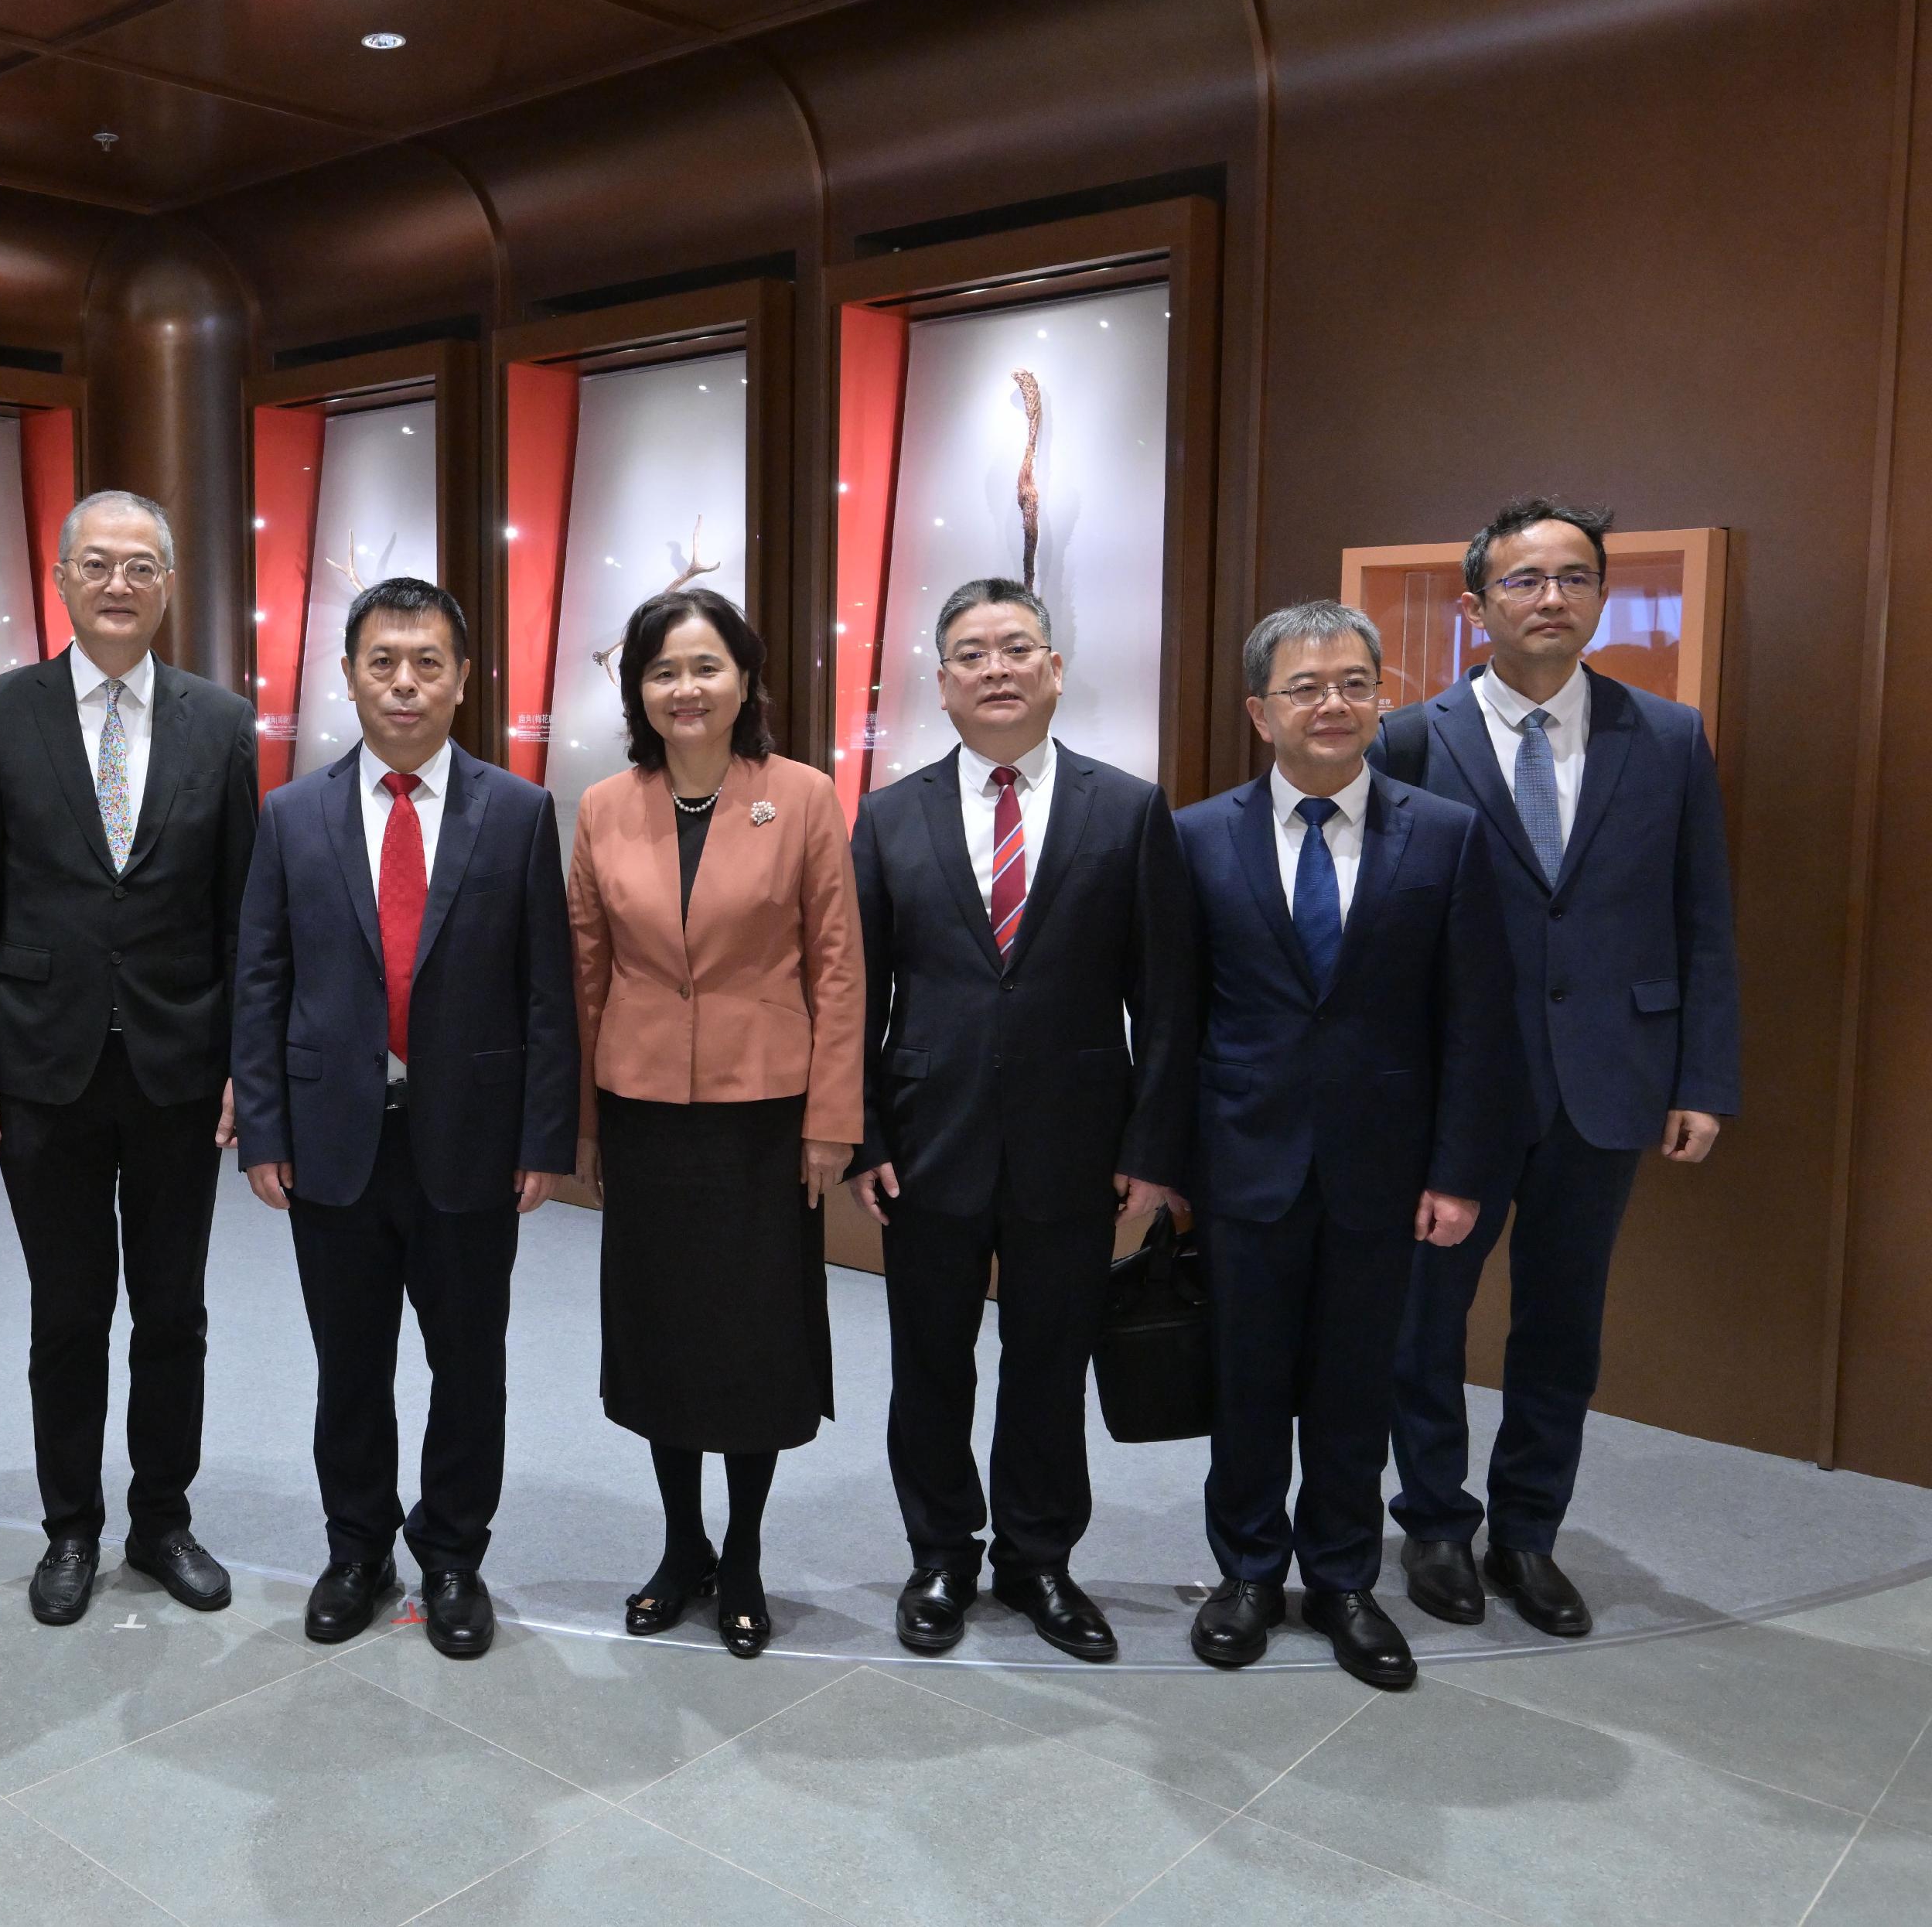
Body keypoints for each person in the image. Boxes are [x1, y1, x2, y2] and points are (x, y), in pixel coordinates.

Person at [1374, 500, 1741, 1638]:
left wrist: (1703, 1076)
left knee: (1562, 1320)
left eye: (1575, 578)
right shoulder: (1409, 739)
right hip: (1454, 1091)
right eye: (1526, 581)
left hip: (1608, 1078)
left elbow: (1703, 920)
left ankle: (1528, 1532)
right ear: (1478, 605)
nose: (1552, 598)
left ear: (1600, 599)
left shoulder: (1667, 737)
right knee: (1426, 1315)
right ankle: (1435, 1518)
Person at [847, 577, 1196, 1662]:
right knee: (931, 1363)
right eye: (971, 654)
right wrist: (865, 1135)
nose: (996, 668)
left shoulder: (1128, 808)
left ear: (1053, 669)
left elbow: (1168, 997)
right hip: (928, 1143)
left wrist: (1151, 1150)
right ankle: (942, 1553)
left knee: (1050, 1359)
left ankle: (1040, 1559)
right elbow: (856, 992)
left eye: (1017, 648)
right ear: (941, 684)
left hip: (1076, 1148)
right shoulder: (888, 813)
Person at [1177, 601, 1524, 1690]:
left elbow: (1477, 1020)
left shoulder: (1447, 834)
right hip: (1243, 1162)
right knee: (1244, 1380)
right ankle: (1244, 1572)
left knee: (1354, 1385)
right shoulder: (1194, 838)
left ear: (1382, 697)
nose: (1332, 703)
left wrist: (1461, 1172)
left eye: (1354, 683)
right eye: (1305, 687)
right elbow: (1176, 1019)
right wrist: (1169, 1169)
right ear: (1258, 711)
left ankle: (1339, 1578)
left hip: (1387, 1170)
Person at [232, 576, 577, 1658]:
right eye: (382, 661)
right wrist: (265, 1130)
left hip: (471, 1143)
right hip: (334, 1144)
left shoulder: (518, 813)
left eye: (428, 662)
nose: (405, 682)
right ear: (347, 675)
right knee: (351, 1365)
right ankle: (357, 1549)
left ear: (464, 679)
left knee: (469, 1363)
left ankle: (455, 1555)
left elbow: (546, 992)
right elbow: (261, 981)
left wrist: (542, 1139)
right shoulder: (291, 814)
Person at [0, 491, 258, 1625]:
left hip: (179, 1069)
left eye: (140, 567)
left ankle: (162, 1520)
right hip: (41, 1069)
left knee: (174, 1311)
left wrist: (242, 1067)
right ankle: (69, 1528)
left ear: (168, 585)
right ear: (63, 582)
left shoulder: (221, 722)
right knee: (67, 1312)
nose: (118, 584)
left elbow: (241, 920)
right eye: (96, 566)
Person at [567, 587, 864, 1659]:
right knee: (661, 1340)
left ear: (745, 680)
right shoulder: (605, 806)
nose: (683, 690)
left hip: (764, 1121)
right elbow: (586, 973)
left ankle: (741, 1553)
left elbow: (839, 969)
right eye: (661, 672)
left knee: (750, 1344)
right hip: (646, 1119)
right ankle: (679, 1544)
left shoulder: (805, 798)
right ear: (637, 692)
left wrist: (833, 1119)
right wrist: (586, 1129)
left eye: (704, 668)